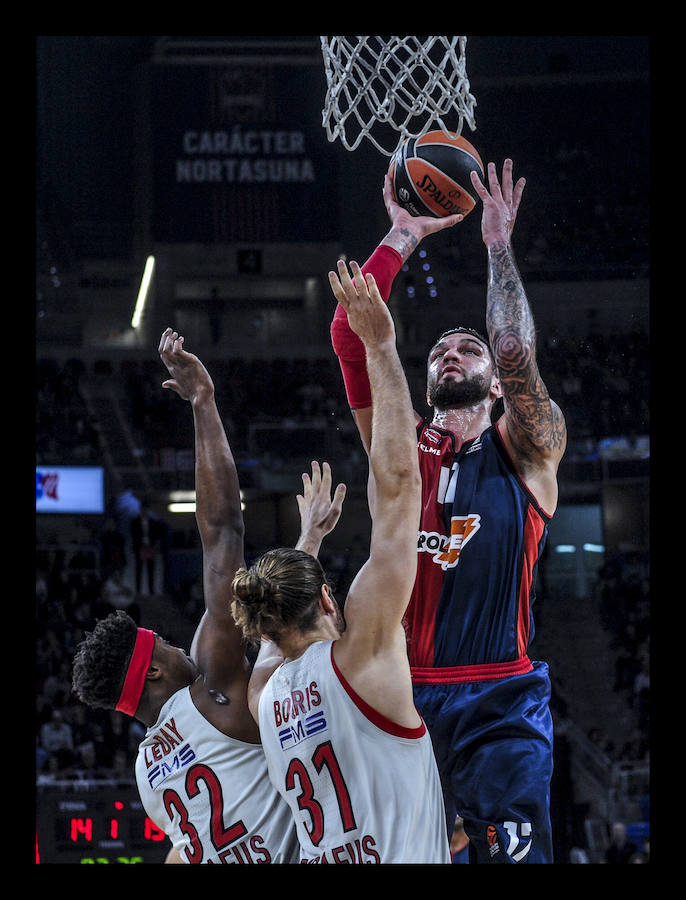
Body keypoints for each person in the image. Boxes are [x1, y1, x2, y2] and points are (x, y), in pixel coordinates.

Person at [329, 161, 567, 864]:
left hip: (500, 698)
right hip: (403, 696)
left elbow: (516, 350)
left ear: (494, 385)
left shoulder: (527, 450)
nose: (450, 354)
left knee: (505, 856)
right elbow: (352, 339)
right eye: (439, 349)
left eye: (468, 349)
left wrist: (497, 247)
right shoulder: (398, 450)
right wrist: (401, 234)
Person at [72, 328, 345, 865]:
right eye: (166, 645)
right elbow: (223, 531)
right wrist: (203, 403)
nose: (180, 646)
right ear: (153, 671)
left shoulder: (147, 777)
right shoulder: (212, 687)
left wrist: (309, 540)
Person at [231, 262, 451, 865]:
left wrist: (306, 543)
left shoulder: (266, 698)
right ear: (328, 599)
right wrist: (379, 347)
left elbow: (275, 642)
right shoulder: (366, 651)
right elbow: (404, 486)